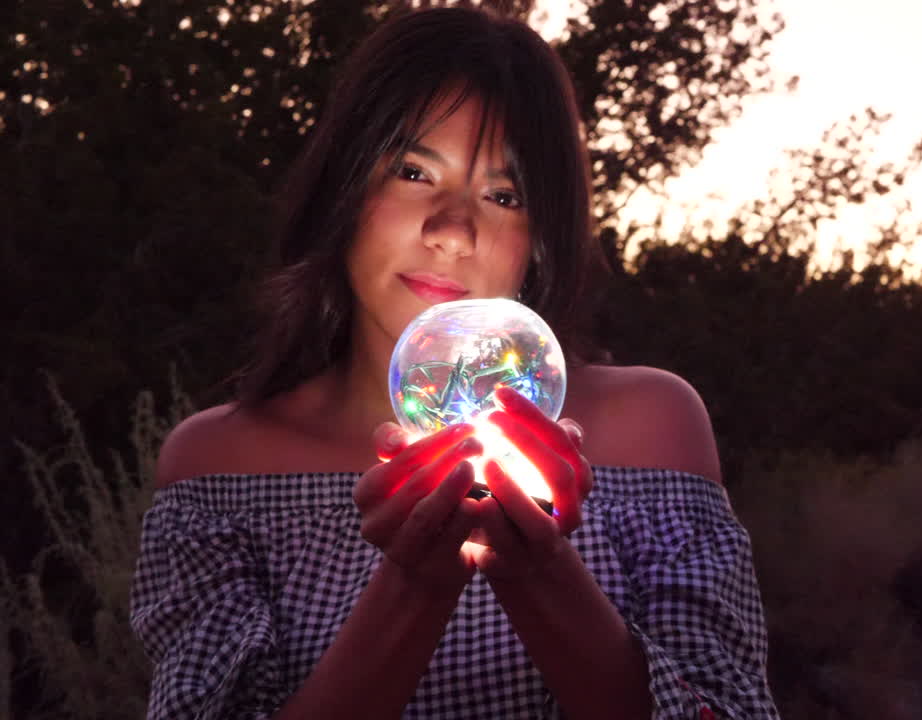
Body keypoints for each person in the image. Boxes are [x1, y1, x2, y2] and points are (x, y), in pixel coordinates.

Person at [129, 5, 778, 719]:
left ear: (541, 239)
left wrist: (541, 573)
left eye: (504, 195)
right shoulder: (218, 466)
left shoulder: (651, 426)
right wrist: (414, 583)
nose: (452, 230)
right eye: (413, 171)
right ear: (343, 191)